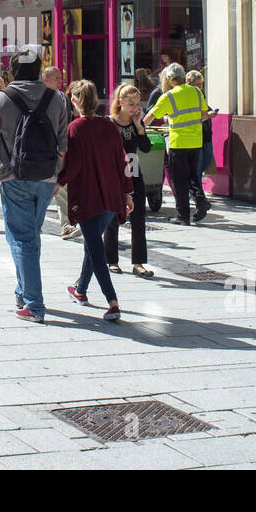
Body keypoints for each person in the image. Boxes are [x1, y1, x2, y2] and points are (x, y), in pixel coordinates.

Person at [0, 43, 69, 322]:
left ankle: (34, 304)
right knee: (29, 236)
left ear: (12, 70)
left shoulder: (1, 100)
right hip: (47, 177)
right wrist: (58, 175)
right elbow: (63, 145)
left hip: (14, 177)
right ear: (39, 69)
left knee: (22, 239)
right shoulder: (58, 99)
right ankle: (22, 290)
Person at [59, 79, 132, 322]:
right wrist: (127, 193)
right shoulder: (109, 127)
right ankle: (80, 290)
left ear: (77, 100)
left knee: (95, 249)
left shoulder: (75, 129)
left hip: (89, 197)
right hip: (111, 197)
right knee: (91, 244)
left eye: (72, 98)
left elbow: (74, 165)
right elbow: (122, 161)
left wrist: (57, 181)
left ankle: (112, 302)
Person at [144, 62, 213, 225]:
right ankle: (201, 202)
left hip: (178, 143)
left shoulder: (169, 96)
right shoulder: (196, 92)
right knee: (193, 177)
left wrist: (139, 129)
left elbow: (149, 117)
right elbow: (203, 116)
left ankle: (183, 216)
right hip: (196, 141)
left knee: (179, 181)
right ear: (183, 75)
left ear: (169, 78)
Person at [106, 83, 153, 277]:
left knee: (139, 217)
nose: (135, 108)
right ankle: (111, 260)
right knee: (112, 217)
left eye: (138, 103)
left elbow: (147, 148)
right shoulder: (110, 123)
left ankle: (138, 262)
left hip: (134, 173)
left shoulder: (136, 123)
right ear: (121, 102)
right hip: (115, 174)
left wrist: (139, 126)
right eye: (131, 104)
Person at [43, 66, 80, 240]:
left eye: (60, 77)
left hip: (57, 150)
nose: (60, 80)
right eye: (56, 78)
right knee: (43, 190)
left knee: (61, 188)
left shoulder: (61, 99)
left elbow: (63, 127)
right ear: (46, 80)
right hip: (39, 152)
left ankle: (66, 225)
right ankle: (36, 223)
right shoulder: (37, 98)